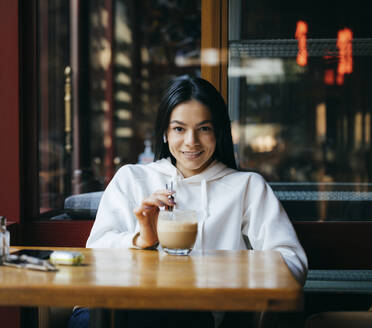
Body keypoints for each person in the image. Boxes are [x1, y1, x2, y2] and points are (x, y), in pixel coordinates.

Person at [69, 76, 308, 328]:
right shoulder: (132, 178)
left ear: (219, 132)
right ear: (164, 133)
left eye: (204, 128)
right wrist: (141, 240)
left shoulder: (246, 186)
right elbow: (95, 255)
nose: (191, 141)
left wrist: (219, 275)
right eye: (179, 129)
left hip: (191, 312)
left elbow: (291, 262)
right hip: (114, 305)